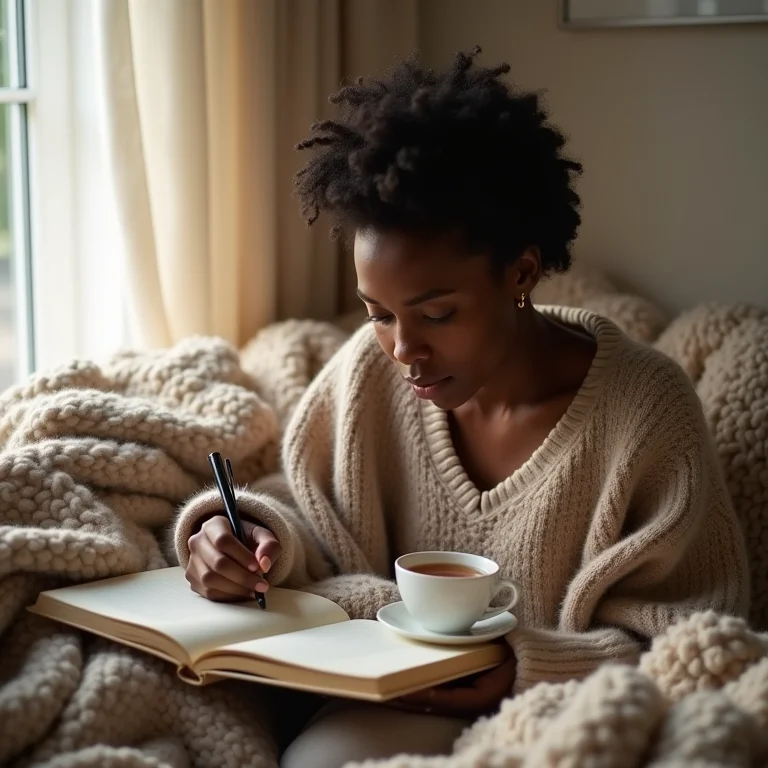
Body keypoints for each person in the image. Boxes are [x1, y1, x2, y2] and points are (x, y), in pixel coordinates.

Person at [173, 47, 748, 767]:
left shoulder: (646, 413)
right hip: (382, 708)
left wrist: (520, 667)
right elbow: (314, 519)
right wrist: (247, 541)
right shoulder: (364, 377)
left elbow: (693, 637)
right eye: (377, 313)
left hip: (561, 717)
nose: (402, 349)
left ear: (522, 272)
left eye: (437, 314)